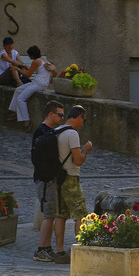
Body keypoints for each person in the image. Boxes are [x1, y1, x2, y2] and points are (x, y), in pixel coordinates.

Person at [30, 101, 70, 263]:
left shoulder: (47, 132)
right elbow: (40, 159)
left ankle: (46, 248)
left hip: (45, 179)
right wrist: (50, 175)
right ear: (51, 114)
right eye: (60, 114)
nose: (62, 118)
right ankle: (41, 249)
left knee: (51, 215)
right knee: (49, 215)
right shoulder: (42, 132)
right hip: (46, 180)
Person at [57, 105, 94, 245]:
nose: (83, 124)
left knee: (60, 215)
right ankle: (81, 247)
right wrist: (86, 149)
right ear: (79, 117)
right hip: (70, 177)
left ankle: (60, 250)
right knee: (81, 214)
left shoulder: (57, 131)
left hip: (58, 178)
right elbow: (78, 160)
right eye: (84, 120)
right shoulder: (72, 134)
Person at [8, 45, 56, 123]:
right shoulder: (44, 60)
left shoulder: (36, 62)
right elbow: (55, 72)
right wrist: (50, 79)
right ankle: (15, 111)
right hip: (38, 83)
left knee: (20, 99)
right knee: (18, 89)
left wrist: (17, 69)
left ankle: (26, 120)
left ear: (32, 55)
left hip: (38, 84)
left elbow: (28, 74)